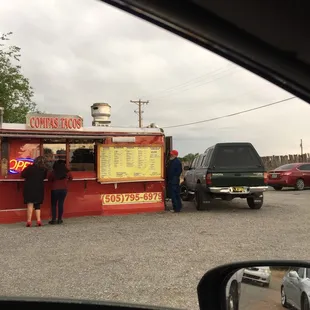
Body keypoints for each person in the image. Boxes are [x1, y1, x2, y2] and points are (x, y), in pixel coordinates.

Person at [21, 156, 47, 227]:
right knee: (37, 205)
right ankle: (38, 220)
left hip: (29, 188)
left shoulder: (29, 168)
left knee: (30, 204)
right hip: (39, 188)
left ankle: (29, 221)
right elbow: (44, 177)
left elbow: (23, 175)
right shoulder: (43, 169)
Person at [48, 160, 73, 224]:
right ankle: (59, 219)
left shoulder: (53, 172)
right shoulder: (67, 172)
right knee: (61, 204)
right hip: (64, 189)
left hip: (55, 189)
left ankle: (53, 219)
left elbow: (49, 179)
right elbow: (71, 178)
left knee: (53, 204)